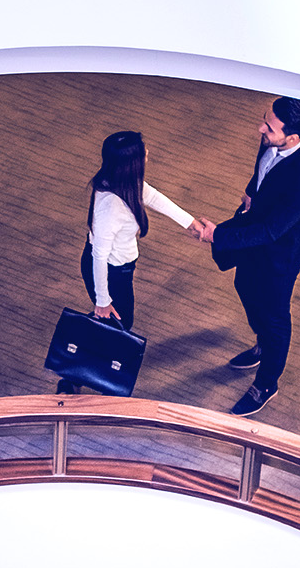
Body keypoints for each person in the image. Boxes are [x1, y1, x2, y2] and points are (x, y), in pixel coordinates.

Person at [198, 97, 300, 416]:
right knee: (245, 287)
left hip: (280, 252)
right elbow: (262, 173)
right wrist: (252, 193)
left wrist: (218, 235)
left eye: (268, 127)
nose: (260, 129)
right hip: (255, 235)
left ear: (292, 138)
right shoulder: (272, 139)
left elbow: (271, 231)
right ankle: (263, 344)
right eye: (263, 120)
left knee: (275, 316)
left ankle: (267, 382)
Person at [59, 130, 203, 394]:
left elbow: (152, 196)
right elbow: (98, 255)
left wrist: (190, 223)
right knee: (117, 323)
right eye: (143, 151)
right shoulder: (111, 206)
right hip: (111, 272)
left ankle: (77, 375)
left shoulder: (123, 182)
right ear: (132, 162)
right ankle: (78, 377)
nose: (147, 153)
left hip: (119, 269)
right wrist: (102, 299)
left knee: (115, 323)